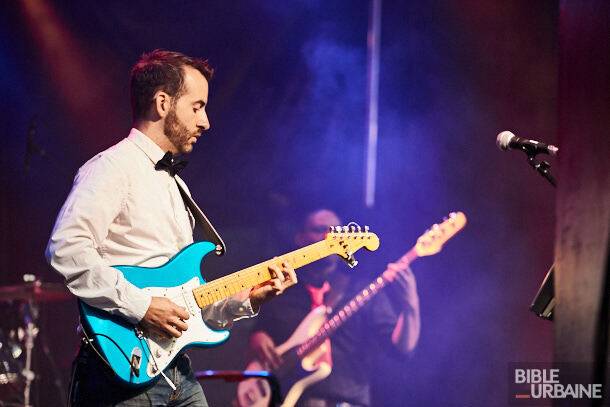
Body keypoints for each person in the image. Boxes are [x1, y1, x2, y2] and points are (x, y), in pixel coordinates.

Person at [46, 50, 297, 407]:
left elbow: (187, 302)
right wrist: (143, 305)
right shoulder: (111, 168)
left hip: (177, 371)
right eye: (197, 107)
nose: (206, 121)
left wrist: (247, 300)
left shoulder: (176, 185)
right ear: (162, 103)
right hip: (120, 373)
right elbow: (66, 251)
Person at [243, 209, 420, 407]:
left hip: (346, 400)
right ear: (300, 238)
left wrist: (410, 305)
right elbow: (258, 334)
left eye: (335, 232)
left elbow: (402, 349)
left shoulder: (361, 290)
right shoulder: (281, 290)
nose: (328, 237)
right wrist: (257, 338)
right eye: (319, 230)